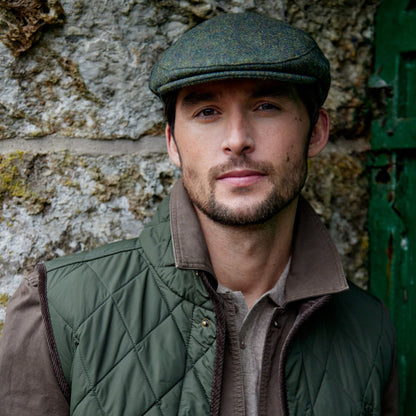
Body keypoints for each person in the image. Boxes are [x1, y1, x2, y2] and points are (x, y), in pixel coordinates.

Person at [0, 12, 398, 416]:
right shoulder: (59, 307)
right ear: (173, 143)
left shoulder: (369, 328)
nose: (237, 140)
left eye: (266, 106)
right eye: (207, 111)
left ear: (316, 132)